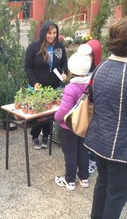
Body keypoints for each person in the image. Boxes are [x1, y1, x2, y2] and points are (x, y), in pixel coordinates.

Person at [84, 16, 127, 218]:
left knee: (102, 183)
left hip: (99, 140)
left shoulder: (100, 68)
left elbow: (91, 99)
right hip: (121, 146)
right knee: (117, 193)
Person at [25, 21, 68, 149]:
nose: (52, 36)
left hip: (53, 87)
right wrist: (34, 82)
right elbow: (28, 68)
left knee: (50, 114)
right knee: (39, 114)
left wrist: (64, 73)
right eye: (49, 33)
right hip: (37, 86)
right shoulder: (34, 48)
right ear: (44, 32)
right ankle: (34, 136)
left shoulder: (59, 47)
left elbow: (64, 64)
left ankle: (46, 135)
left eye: (54, 33)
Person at [54, 51, 91, 191]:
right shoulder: (89, 85)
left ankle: (69, 180)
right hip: (84, 125)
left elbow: (64, 111)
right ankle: (84, 178)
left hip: (69, 127)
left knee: (70, 152)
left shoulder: (71, 88)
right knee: (82, 150)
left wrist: (56, 117)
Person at [77, 39, 102, 174]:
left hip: (93, 107)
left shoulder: (99, 70)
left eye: (90, 55)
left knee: (92, 134)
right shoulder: (84, 67)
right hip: (84, 106)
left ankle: (92, 160)